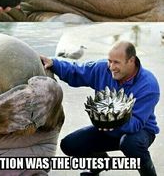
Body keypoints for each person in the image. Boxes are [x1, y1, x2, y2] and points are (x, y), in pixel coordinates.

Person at [41, 41, 160, 176]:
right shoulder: (102, 68)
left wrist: (114, 121)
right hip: (107, 127)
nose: (111, 67)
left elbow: (137, 122)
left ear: (131, 61)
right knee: (69, 145)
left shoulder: (149, 85)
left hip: (140, 131)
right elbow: (77, 71)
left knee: (130, 144)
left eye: (116, 62)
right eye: (110, 61)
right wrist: (54, 63)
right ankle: (100, 164)